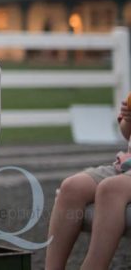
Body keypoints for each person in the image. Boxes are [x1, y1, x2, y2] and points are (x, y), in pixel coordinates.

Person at [45, 96, 131, 270]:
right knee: (71, 187)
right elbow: (127, 135)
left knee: (110, 189)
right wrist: (128, 119)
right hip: (126, 163)